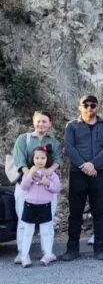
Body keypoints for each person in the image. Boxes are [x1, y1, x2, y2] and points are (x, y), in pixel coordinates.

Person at [62, 95, 103, 261]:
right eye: (86, 105)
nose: (89, 108)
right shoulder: (72, 126)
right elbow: (69, 148)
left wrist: (92, 164)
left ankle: (99, 249)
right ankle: (72, 249)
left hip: (100, 173)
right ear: (80, 107)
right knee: (75, 213)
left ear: (97, 107)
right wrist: (84, 165)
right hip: (78, 174)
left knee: (99, 211)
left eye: (93, 105)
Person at [11, 111, 63, 265]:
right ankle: (22, 252)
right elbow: (19, 159)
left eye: (45, 121)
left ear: (50, 124)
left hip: (47, 185)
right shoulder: (23, 139)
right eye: (39, 121)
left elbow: (59, 159)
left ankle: (47, 251)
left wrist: (48, 172)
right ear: (34, 122)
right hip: (25, 185)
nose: (41, 124)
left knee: (48, 220)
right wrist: (29, 173)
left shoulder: (53, 142)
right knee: (23, 219)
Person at [18, 146, 61, 267]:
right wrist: (30, 175)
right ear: (33, 159)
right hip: (29, 205)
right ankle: (24, 255)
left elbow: (57, 188)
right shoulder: (29, 172)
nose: (40, 160)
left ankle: (48, 254)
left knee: (45, 231)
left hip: (45, 205)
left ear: (47, 159)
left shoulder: (51, 174)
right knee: (28, 231)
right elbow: (23, 187)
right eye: (37, 158)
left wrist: (48, 184)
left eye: (43, 158)